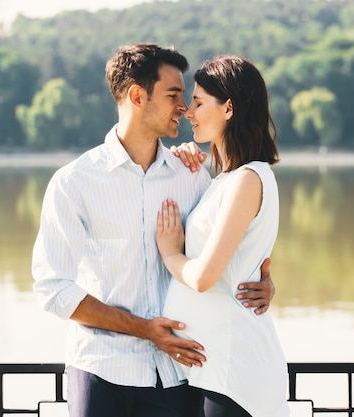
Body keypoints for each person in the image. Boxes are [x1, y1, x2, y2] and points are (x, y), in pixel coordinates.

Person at [31, 44, 275, 417]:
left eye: (188, 97)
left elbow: (232, 245)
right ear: (136, 96)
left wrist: (262, 280)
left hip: (175, 377)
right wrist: (144, 329)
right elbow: (52, 288)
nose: (184, 106)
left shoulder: (192, 176)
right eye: (174, 94)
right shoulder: (74, 182)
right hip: (101, 370)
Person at [156, 55, 290, 417]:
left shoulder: (249, 179)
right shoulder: (224, 181)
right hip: (213, 369)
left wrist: (170, 252)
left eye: (198, 102)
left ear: (228, 108)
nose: (189, 112)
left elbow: (203, 277)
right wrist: (184, 160)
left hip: (237, 372)